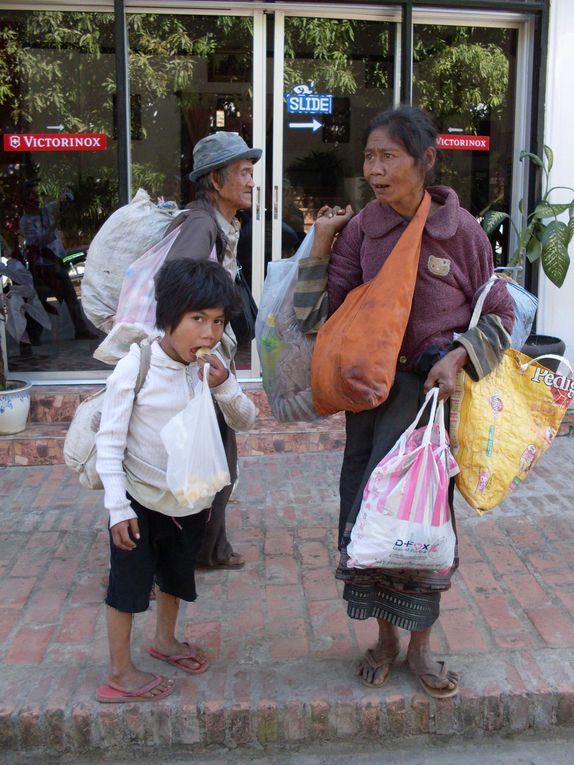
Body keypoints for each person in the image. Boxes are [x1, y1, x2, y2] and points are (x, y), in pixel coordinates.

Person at [294, 106, 514, 698]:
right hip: (371, 402)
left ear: (426, 161)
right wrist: (318, 244)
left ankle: (420, 649)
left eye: (388, 156)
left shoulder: (461, 232)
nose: (375, 169)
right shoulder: (364, 228)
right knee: (371, 522)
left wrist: (457, 357)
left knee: (421, 524)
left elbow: (500, 315)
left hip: (427, 408)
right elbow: (320, 312)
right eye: (369, 156)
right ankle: (386, 641)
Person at [94, 259, 257, 703]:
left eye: (218, 321)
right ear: (169, 317)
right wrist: (117, 508)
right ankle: (119, 672)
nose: (208, 334)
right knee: (127, 587)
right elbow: (109, 445)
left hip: (190, 499)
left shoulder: (213, 364)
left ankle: (164, 641)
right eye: (197, 319)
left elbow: (246, 420)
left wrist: (225, 388)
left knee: (176, 576)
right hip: (140, 499)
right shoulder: (137, 367)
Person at [164, 131, 262, 570]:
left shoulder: (218, 221)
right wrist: (199, 349)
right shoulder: (202, 224)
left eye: (250, 172)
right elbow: (175, 286)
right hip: (198, 364)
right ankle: (181, 554)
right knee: (210, 459)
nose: (251, 181)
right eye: (243, 173)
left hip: (208, 361)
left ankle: (209, 548)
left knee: (219, 457)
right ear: (216, 181)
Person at [19, 185, 97, 340]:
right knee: (39, 301)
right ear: (26, 202)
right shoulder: (26, 220)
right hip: (43, 264)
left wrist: (65, 198)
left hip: (55, 262)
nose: (35, 200)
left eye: (35, 197)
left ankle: (79, 330)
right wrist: (53, 226)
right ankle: (32, 336)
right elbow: (39, 241)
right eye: (31, 197)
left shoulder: (46, 211)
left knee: (69, 297)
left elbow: (64, 203)